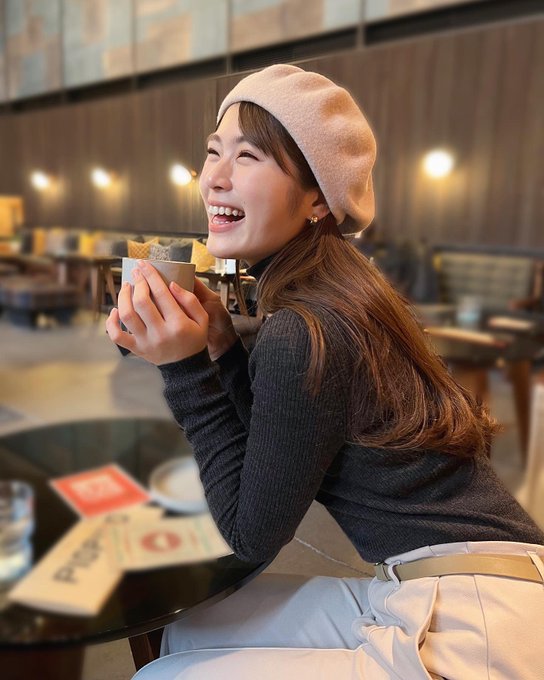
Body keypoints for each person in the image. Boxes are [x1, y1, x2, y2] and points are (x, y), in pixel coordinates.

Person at [106, 64, 544, 679]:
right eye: (213, 151)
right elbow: (277, 445)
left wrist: (185, 370)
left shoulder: (304, 328)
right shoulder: (330, 291)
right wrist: (222, 346)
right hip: (454, 583)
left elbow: (249, 536)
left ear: (317, 198)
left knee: (159, 676)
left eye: (249, 156)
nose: (215, 178)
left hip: (480, 626)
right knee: (186, 626)